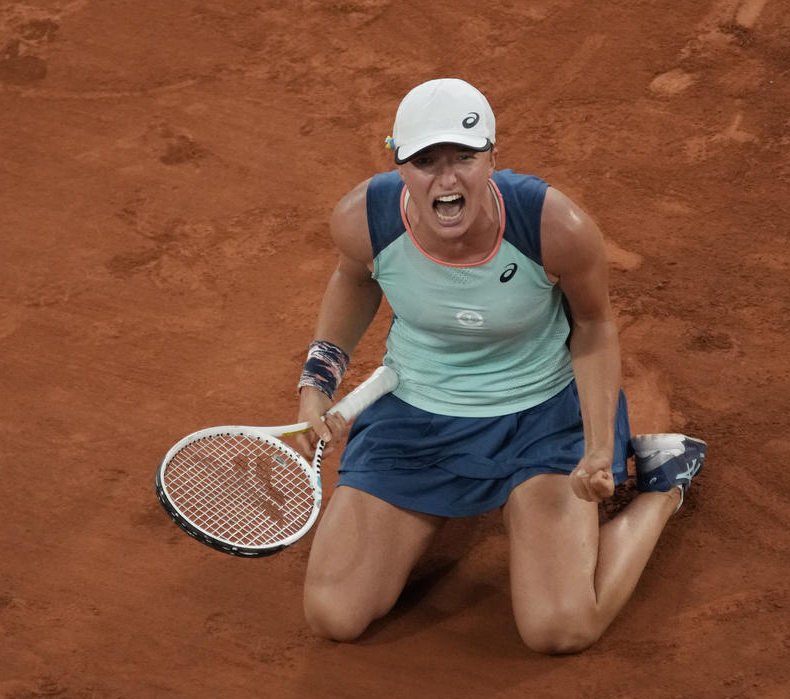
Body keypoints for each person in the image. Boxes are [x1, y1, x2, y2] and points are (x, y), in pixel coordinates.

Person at [293, 78, 706, 654]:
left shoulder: (554, 226)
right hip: (416, 419)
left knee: (560, 628)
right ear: (399, 165)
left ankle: (665, 482)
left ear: (493, 155)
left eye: (464, 157)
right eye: (425, 161)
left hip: (541, 419)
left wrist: (593, 447)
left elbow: (594, 327)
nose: (447, 179)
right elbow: (352, 279)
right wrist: (319, 377)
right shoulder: (364, 218)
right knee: (333, 612)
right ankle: (450, 498)